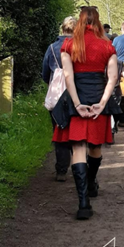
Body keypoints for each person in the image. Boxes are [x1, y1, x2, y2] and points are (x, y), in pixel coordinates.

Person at [52, 6, 120, 219]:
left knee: (78, 148)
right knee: (95, 147)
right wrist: (101, 103)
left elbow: (68, 77)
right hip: (98, 97)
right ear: (98, 22)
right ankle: (91, 184)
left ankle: (83, 203)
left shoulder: (69, 45)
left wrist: (77, 103)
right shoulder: (107, 46)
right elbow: (112, 78)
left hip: (77, 101)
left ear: (80, 22)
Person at [41, 16, 76, 181]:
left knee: (60, 130)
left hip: (57, 94)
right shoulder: (80, 47)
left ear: (62, 28)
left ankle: (62, 169)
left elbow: (45, 73)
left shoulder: (52, 48)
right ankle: (80, 168)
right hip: (77, 92)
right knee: (78, 131)